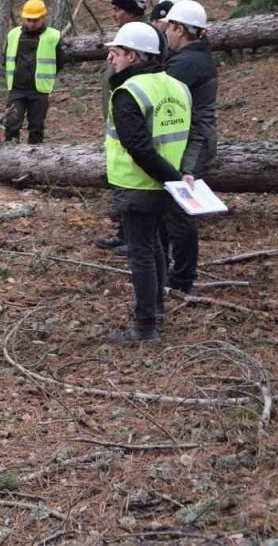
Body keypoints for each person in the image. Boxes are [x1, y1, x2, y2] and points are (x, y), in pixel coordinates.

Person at [103, 22, 192, 344]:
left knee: (140, 252)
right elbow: (187, 137)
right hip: (167, 183)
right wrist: (181, 175)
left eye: (118, 51)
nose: (112, 56)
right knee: (154, 245)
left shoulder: (129, 93)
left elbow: (138, 147)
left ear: (134, 55)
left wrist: (173, 177)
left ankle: (144, 328)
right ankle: (155, 310)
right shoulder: (177, 87)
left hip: (140, 186)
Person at [95, 0, 158, 253]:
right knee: (123, 180)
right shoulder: (130, 33)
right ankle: (125, 233)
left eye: (118, 8)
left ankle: (133, 239)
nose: (114, 13)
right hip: (120, 116)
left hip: (132, 116)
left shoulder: (142, 37)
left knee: (132, 181)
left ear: (132, 7)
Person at [162, 0, 217, 295]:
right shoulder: (192, 56)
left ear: (180, 29)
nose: (166, 33)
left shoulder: (186, 63)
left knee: (179, 207)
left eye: (169, 27)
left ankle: (182, 279)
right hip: (190, 138)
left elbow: (158, 90)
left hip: (194, 143)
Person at [3, 0, 62, 144]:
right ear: (23, 18)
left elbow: (59, 62)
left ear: (43, 18)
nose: (31, 23)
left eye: (35, 20)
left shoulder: (53, 36)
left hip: (39, 91)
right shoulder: (13, 35)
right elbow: (6, 58)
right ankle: (10, 156)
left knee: (36, 127)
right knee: (11, 124)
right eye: (28, 20)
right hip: (17, 90)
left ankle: (35, 160)